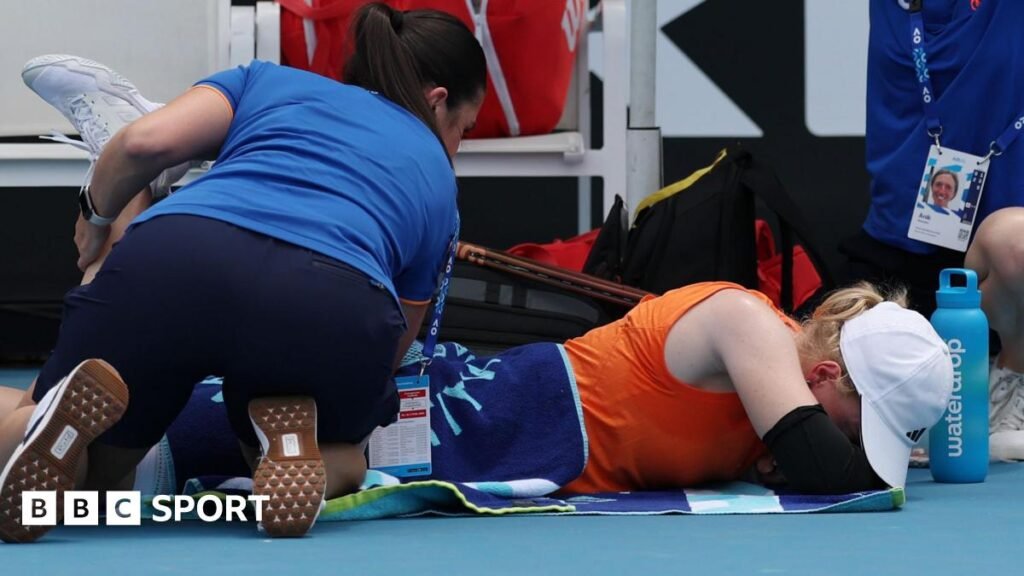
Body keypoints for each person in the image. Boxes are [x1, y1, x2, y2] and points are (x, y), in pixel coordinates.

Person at [0, 2, 486, 543]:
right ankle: (295, 449)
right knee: (346, 452)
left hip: (176, 255)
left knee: (94, 482)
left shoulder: (266, 80)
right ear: (437, 100)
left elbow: (142, 143)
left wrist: (96, 216)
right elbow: (401, 334)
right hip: (334, 299)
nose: (457, 146)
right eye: (463, 129)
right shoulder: (439, 182)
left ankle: (51, 429)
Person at [1, 280, 955, 501]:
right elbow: (833, 474)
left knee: (369, 473)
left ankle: (96, 463)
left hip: (528, 450)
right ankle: (68, 445)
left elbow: (835, 457)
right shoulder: (754, 327)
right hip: (523, 408)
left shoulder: (787, 379)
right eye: (859, 413)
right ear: (825, 373)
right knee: (201, 428)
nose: (853, 437)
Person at [840, 0, 1024, 459]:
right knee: (838, 397)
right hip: (900, 239)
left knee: (1015, 246)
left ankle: (1013, 380)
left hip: (1002, 242)